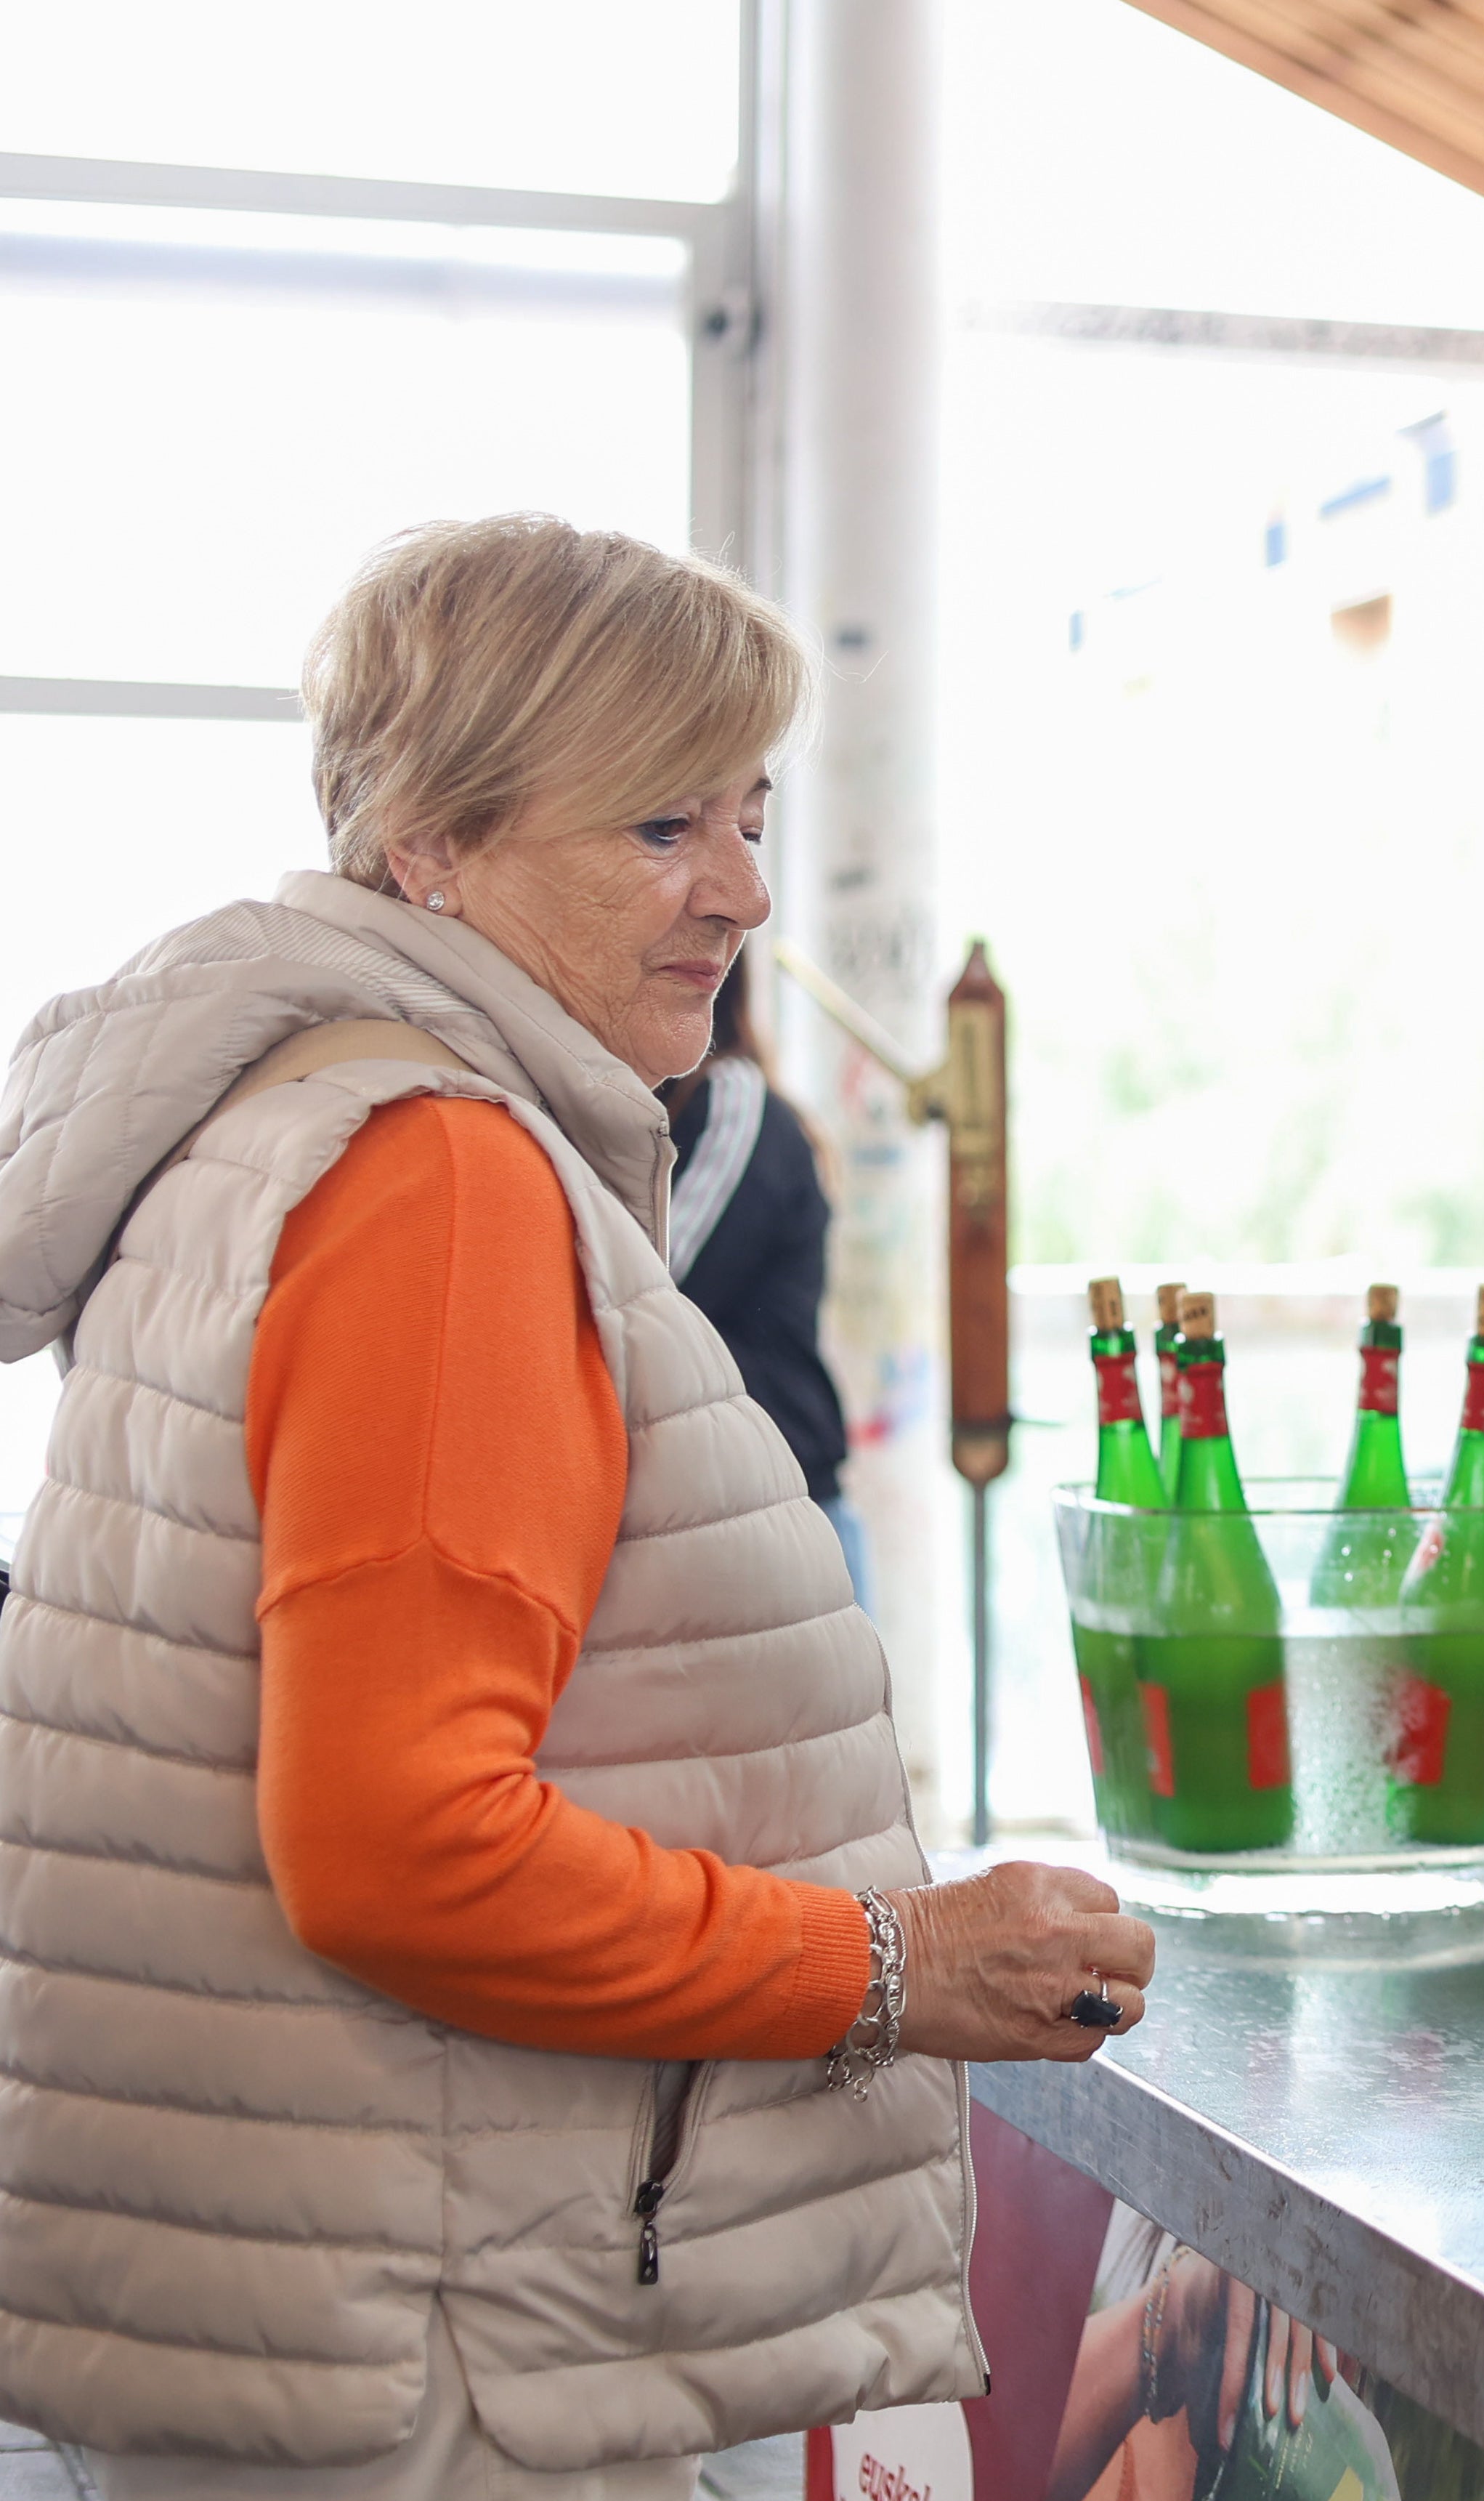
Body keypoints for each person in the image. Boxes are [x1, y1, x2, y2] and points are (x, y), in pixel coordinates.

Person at [0, 515, 1159, 2492]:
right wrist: (902, 1962)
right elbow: (396, 1849)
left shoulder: (269, 1111)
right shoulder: (441, 1180)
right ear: (425, 841)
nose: (745, 888)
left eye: (749, 810)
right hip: (438, 2354)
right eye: (659, 829)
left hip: (310, 2297)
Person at [662, 950, 872, 1607]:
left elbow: (653, 1293)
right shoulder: (658, 1107)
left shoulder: (731, 1099)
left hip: (779, 1516)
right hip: (726, 1517)